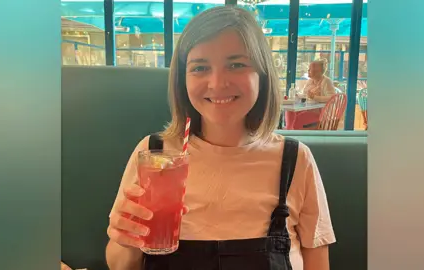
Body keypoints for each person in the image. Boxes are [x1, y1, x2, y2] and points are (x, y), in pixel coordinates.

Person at [106, 6, 335, 270]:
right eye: (200, 67)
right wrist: (126, 241)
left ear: (262, 74)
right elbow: (120, 264)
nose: (216, 83)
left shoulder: (295, 160)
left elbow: (318, 263)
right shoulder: (154, 154)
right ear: (183, 80)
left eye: (236, 64)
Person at [285, 60, 337, 130]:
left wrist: (315, 97)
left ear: (318, 71)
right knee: (290, 111)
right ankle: (289, 130)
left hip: (321, 114)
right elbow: (305, 95)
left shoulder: (326, 81)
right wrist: (297, 95)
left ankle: (293, 132)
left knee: (297, 120)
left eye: (310, 69)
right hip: (308, 109)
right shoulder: (310, 81)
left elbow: (333, 99)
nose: (308, 70)